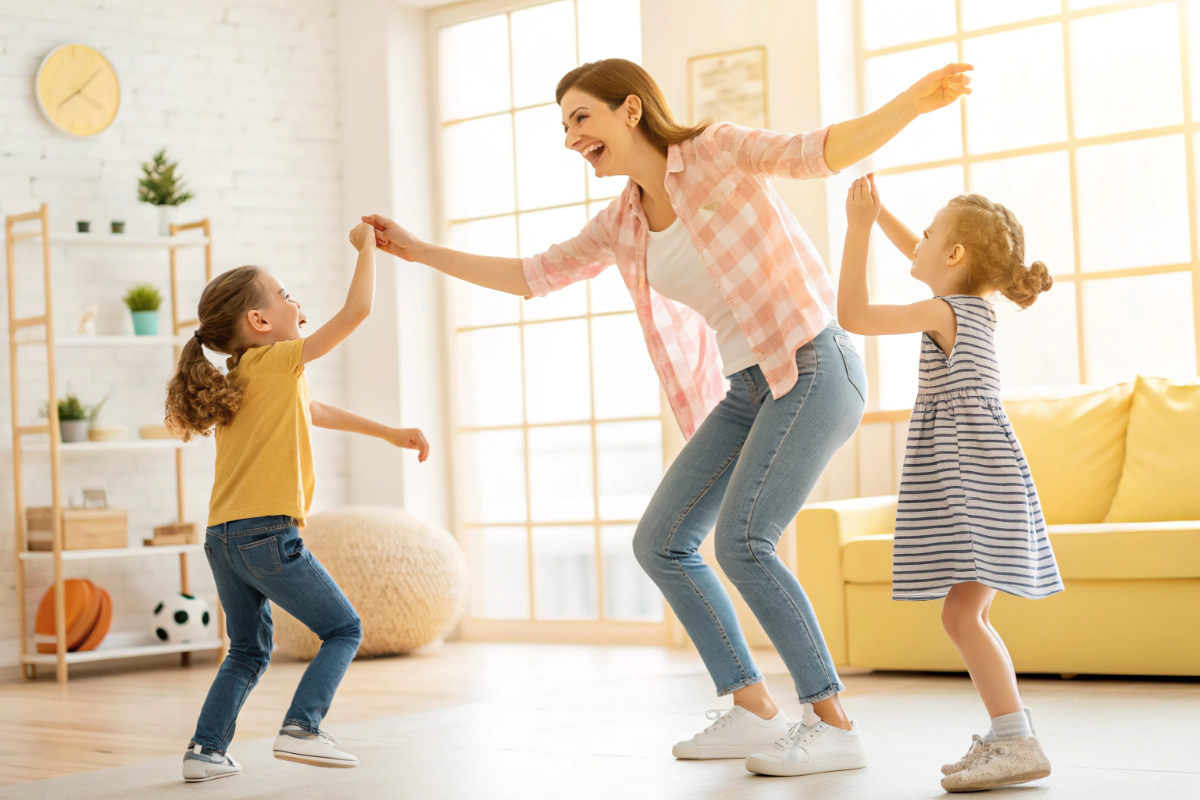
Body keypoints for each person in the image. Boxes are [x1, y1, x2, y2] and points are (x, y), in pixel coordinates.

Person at [363, 57, 970, 777]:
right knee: (662, 541)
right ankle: (753, 708)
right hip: (750, 388)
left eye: (581, 118)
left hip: (812, 363)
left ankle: (833, 722)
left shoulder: (716, 150)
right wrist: (417, 251)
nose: (570, 137)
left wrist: (912, 102)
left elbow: (817, 152)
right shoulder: (623, 222)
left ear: (631, 109)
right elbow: (532, 276)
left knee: (744, 542)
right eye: (564, 126)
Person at [165, 223, 430, 783]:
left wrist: (388, 433)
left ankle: (206, 750)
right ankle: (302, 728)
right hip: (266, 534)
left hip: (222, 539)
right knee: (344, 629)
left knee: (247, 649)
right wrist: (366, 249)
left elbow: (315, 411)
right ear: (259, 321)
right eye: (285, 295)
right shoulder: (280, 361)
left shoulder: (241, 377)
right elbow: (357, 311)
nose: (296, 303)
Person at [839, 174, 1059, 791]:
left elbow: (853, 315)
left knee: (963, 617)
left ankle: (1015, 740)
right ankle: (1010, 733)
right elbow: (923, 253)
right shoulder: (973, 307)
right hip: (988, 480)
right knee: (966, 615)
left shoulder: (944, 310)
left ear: (956, 255)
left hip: (974, 483)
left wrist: (857, 229)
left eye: (930, 234)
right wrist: (881, 213)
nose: (918, 241)